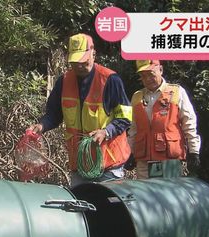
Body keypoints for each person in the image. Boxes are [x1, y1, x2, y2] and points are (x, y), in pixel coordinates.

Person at [28, 33, 132, 186]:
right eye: (75, 62)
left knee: (108, 209)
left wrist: (106, 132)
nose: (79, 65)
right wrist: (42, 125)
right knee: (81, 208)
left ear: (93, 54)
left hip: (109, 164)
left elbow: (125, 117)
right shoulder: (63, 82)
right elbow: (53, 114)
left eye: (83, 60)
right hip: (80, 165)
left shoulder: (110, 80)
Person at [127, 60, 201, 179]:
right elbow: (133, 129)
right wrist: (129, 152)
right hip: (144, 160)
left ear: (160, 70)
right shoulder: (137, 97)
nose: (147, 79)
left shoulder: (176, 92)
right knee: (145, 195)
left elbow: (189, 123)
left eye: (151, 74)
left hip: (169, 159)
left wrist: (194, 151)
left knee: (169, 195)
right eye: (143, 76)